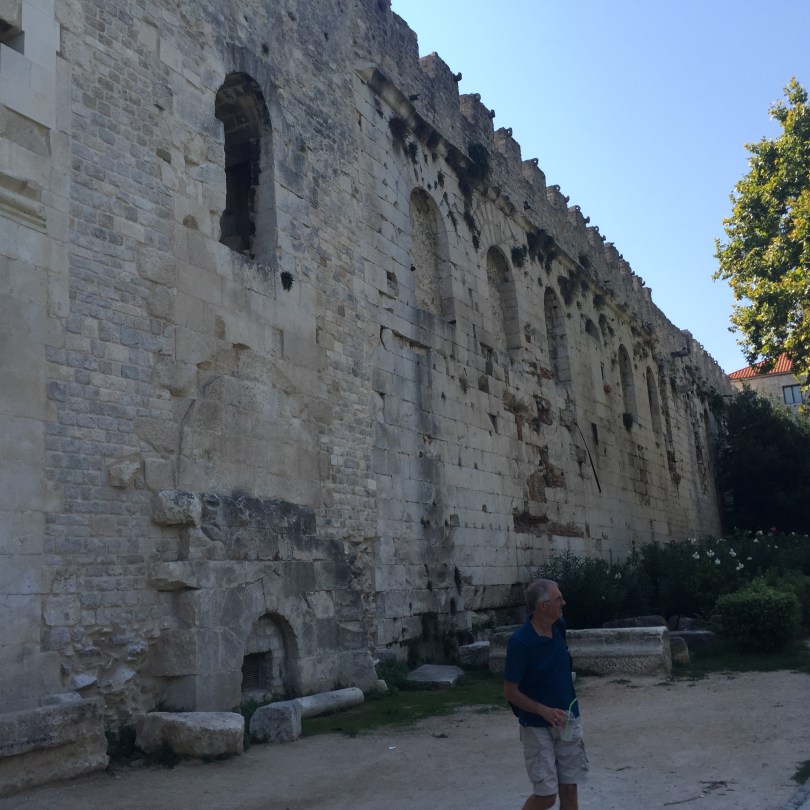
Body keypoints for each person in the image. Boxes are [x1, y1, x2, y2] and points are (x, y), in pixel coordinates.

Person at [503, 579, 588, 810]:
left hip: (568, 719)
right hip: (536, 726)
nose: (564, 602)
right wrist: (543, 710)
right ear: (543, 606)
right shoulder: (520, 642)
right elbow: (510, 692)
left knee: (570, 788)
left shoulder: (559, 626)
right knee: (546, 796)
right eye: (558, 599)